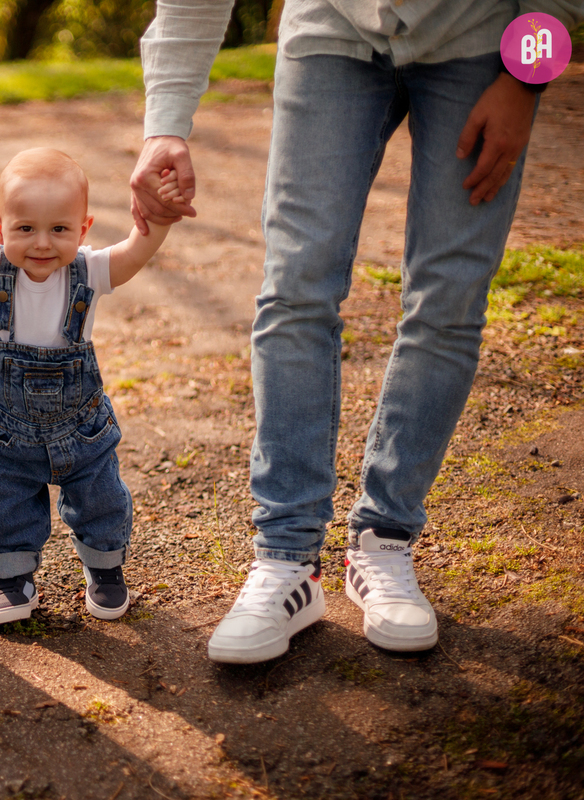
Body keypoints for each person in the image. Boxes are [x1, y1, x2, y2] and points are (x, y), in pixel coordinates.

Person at [131, 0, 584, 663]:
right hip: (330, 29)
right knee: (295, 287)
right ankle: (286, 559)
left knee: (449, 301)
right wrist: (164, 124)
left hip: (480, 41)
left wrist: (526, 78)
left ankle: (385, 540)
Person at [0, 148, 175, 626]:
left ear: (83, 229)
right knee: (4, 500)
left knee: (100, 497)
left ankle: (105, 569)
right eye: (25, 228)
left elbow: (133, 253)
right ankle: (12, 581)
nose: (42, 243)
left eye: (59, 229)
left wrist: (157, 222)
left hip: (81, 427)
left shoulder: (88, 270)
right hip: (4, 431)